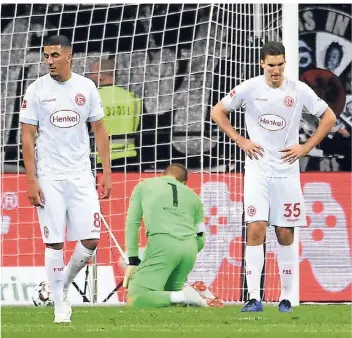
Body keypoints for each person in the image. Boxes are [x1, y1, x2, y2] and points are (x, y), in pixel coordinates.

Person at [211, 41, 336, 312]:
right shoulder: (250, 88)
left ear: (285, 63)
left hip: (287, 172)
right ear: (262, 64)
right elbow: (217, 111)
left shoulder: (299, 90)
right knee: (255, 228)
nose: (276, 70)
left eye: (280, 65)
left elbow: (328, 116)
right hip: (257, 170)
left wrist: (305, 147)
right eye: (271, 65)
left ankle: (288, 297)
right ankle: (254, 298)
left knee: (284, 232)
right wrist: (240, 140)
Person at [20, 35, 112, 323]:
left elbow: (99, 130)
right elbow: (27, 135)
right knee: (55, 243)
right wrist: (31, 179)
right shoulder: (35, 90)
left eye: (55, 55)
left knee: (91, 241)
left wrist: (106, 172)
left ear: (68, 56)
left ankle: (54, 285)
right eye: (46, 56)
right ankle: (61, 305)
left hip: (82, 175)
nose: (50, 61)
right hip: (49, 177)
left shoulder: (86, 87)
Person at [123, 163, 208, 308]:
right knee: (169, 301)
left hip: (162, 244)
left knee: (136, 297)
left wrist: (132, 260)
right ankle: (186, 298)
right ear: (183, 183)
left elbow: (132, 223)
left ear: (163, 174)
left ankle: (186, 295)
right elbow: (200, 237)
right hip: (189, 249)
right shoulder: (195, 198)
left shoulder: (144, 186)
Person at [88, 59, 142, 171]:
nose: (89, 76)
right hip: (128, 156)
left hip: (100, 158)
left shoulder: (92, 99)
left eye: (91, 73)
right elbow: (136, 125)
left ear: (100, 76)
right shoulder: (132, 98)